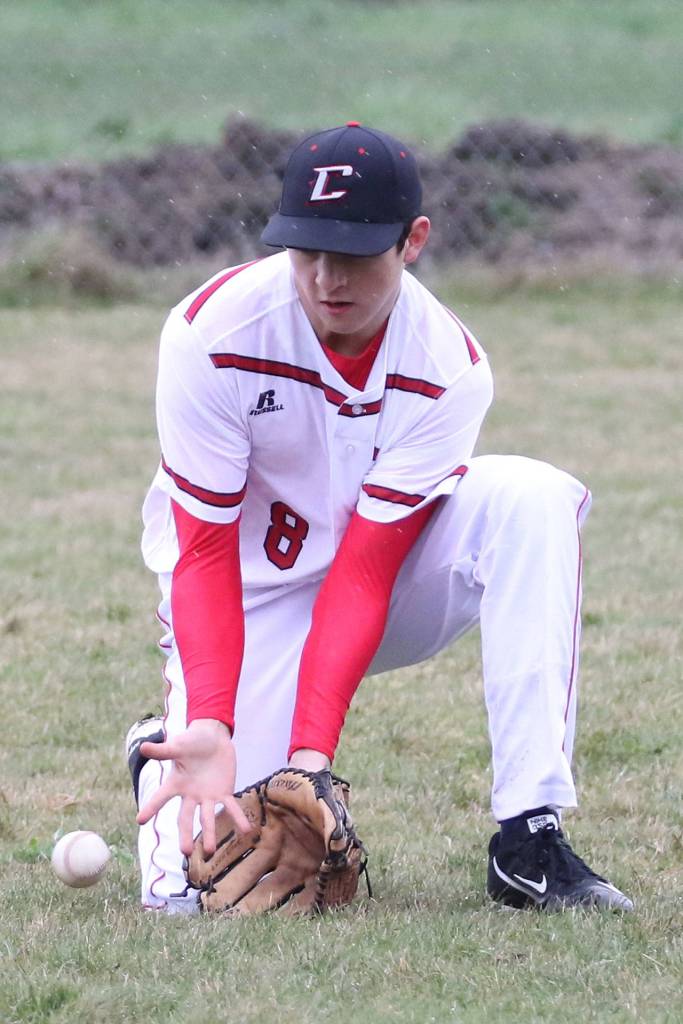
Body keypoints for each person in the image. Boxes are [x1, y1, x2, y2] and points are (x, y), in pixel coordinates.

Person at [127, 122, 633, 914]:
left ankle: (528, 838)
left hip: (386, 587)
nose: (327, 277)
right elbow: (202, 554)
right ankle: (165, 744)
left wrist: (307, 763)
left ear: (413, 241)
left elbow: (364, 571)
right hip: (251, 603)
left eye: (356, 251)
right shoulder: (213, 334)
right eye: (306, 249)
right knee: (184, 901)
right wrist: (217, 720)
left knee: (531, 497)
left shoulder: (446, 367)